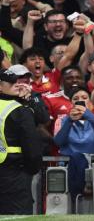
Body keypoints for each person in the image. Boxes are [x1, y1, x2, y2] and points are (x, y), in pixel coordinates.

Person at [0, 69, 42, 214]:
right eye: (12, 83)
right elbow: (32, 147)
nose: (17, 85)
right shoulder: (20, 110)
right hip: (14, 172)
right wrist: (32, 169)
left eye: (17, 82)